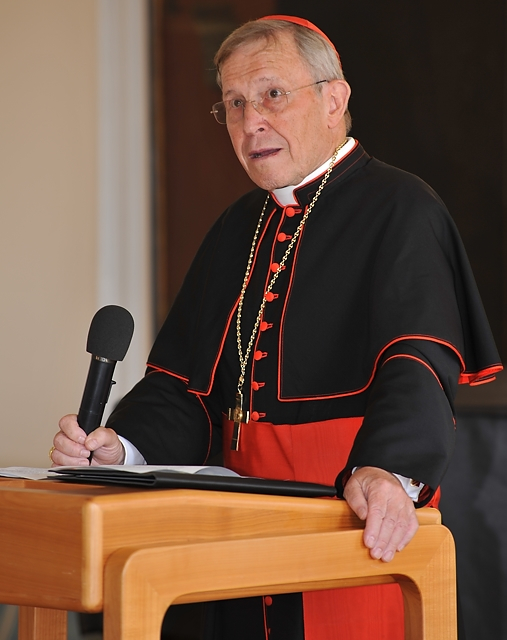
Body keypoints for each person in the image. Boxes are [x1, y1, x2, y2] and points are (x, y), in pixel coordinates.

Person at [52, 15, 502, 640]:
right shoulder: (236, 227)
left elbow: (418, 362)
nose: (250, 122)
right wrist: (122, 448)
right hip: (236, 532)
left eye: (271, 94)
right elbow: (184, 387)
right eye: (234, 104)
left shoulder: (402, 209)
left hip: (348, 516)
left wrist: (389, 471)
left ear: (334, 100)